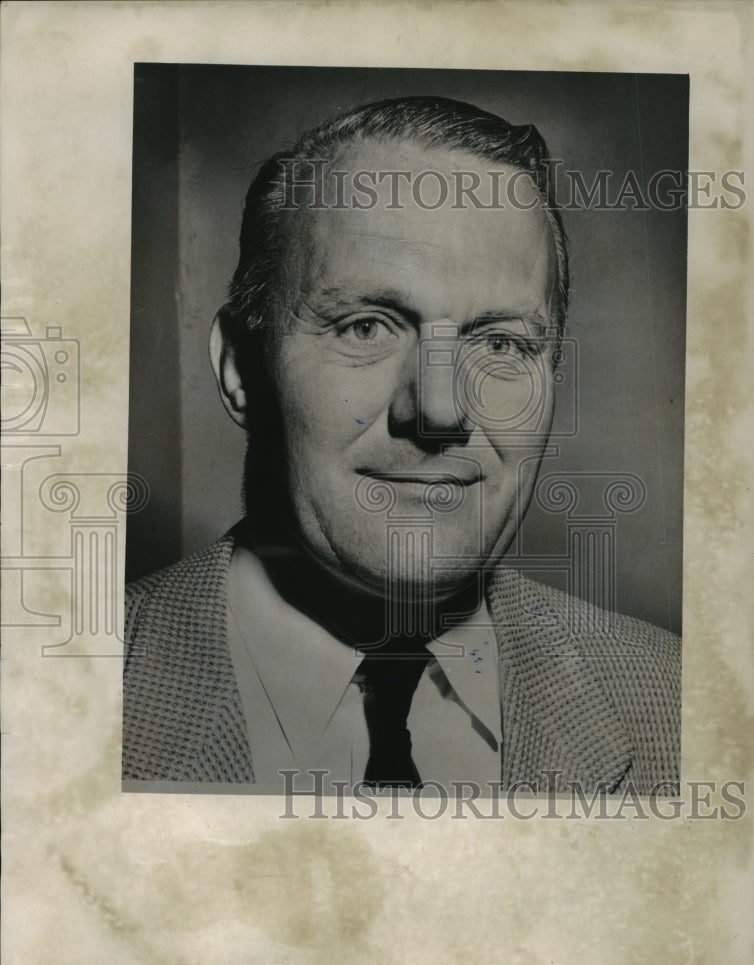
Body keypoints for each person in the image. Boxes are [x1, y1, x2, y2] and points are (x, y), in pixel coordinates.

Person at [122, 96, 680, 795]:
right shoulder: (53, 696)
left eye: (500, 343)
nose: (439, 410)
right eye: (366, 327)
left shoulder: (686, 704)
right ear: (241, 368)